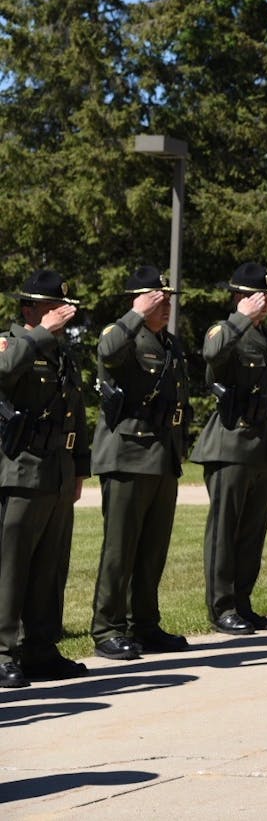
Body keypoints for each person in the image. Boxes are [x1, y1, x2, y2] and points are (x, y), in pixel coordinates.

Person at [90, 266, 191, 660]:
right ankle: (107, 627)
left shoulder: (170, 343)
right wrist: (135, 313)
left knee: (153, 549)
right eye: (158, 300)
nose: (165, 306)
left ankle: (144, 625)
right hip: (127, 456)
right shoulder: (122, 334)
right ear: (141, 299)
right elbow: (107, 352)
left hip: (162, 457)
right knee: (120, 548)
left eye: (167, 300)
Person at [0, 270, 91, 688]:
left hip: (57, 471)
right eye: (51, 307)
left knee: (50, 567)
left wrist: (80, 469)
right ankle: (4, 652)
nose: (61, 314)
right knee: (11, 566)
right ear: (28, 309)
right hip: (20, 470)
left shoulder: (63, 354)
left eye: (62, 308)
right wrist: (41, 335)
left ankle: (41, 648)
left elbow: (77, 413)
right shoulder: (11, 343)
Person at [191, 262, 267, 635]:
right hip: (230, 443)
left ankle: (242, 603)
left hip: (261, 445)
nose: (265, 303)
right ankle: (222, 607)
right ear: (239, 298)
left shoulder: (265, 338)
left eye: (266, 297)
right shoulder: (225, 329)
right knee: (224, 533)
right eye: (257, 297)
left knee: (251, 534)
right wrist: (240, 319)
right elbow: (212, 354)